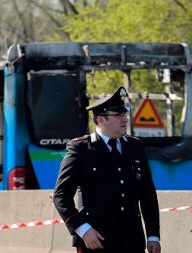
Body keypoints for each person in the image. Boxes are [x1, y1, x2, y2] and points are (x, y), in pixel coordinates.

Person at [53, 87, 161, 253]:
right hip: (96, 241)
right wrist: (83, 229)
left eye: (124, 114)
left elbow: (147, 194)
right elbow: (61, 196)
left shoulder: (135, 146)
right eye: (118, 115)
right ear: (100, 120)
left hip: (132, 240)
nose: (125, 119)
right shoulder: (80, 149)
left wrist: (153, 235)